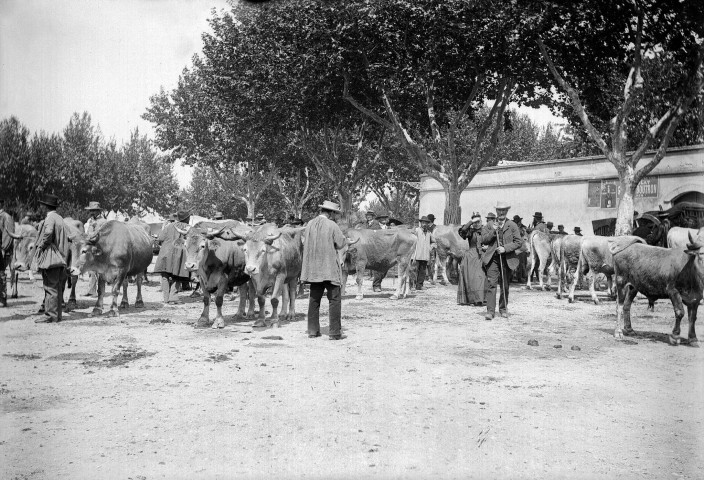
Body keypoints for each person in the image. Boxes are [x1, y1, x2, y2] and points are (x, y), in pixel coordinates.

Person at [301, 200, 347, 340]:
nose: (335, 216)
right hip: (329, 269)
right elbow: (340, 244)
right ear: (331, 212)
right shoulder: (332, 225)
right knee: (334, 299)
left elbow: (304, 242)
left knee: (314, 299)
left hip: (313, 269)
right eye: (335, 213)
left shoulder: (309, 224)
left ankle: (313, 331)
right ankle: (334, 332)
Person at [480, 201, 523, 320]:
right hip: (492, 259)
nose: (501, 212)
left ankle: (503, 309)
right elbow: (483, 240)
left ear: (507, 211)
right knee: (491, 284)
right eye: (499, 210)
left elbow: (519, 242)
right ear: (496, 211)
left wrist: (505, 248)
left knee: (505, 285)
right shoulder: (489, 225)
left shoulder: (512, 225)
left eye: (504, 210)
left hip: (507, 259)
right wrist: (493, 232)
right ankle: (490, 311)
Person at [32, 194, 70, 323]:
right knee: (57, 287)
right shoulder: (60, 218)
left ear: (45, 207)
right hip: (60, 257)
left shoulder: (50, 219)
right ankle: (56, 315)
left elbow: (48, 233)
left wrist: (42, 246)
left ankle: (50, 316)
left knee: (50, 287)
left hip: (51, 257)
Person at [154, 210, 191, 306]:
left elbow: (161, 238)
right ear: (186, 218)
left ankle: (166, 298)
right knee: (177, 275)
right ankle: (173, 297)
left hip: (165, 252)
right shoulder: (188, 228)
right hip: (179, 254)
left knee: (165, 275)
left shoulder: (168, 226)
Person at [457, 212, 485, 306]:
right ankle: (473, 299)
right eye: (475, 222)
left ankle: (481, 299)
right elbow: (463, 230)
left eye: (478, 221)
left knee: (481, 277)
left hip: (482, 256)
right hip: (471, 257)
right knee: (472, 278)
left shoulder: (485, 230)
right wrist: (471, 222)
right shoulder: (470, 231)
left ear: (481, 221)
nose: (477, 224)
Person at [83, 201, 106, 297]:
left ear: (98, 211)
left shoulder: (103, 222)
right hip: (90, 247)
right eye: (91, 211)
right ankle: (92, 290)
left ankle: (100, 291)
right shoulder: (90, 221)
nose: (92, 212)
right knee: (91, 269)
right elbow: (88, 233)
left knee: (100, 271)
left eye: (94, 211)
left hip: (100, 248)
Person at [412, 216, 436, 291]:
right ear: (420, 223)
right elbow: (411, 240)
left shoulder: (429, 233)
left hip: (425, 255)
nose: (424, 224)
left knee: (422, 271)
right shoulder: (416, 231)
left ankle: (419, 285)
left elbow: (434, 242)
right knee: (414, 270)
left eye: (426, 223)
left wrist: (430, 247)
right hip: (416, 254)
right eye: (423, 223)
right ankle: (412, 285)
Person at [0, 199, 16, 308]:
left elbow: (8, 235)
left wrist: (3, 249)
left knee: (1, 274)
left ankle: (2, 299)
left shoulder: (6, 217)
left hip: (3, 251)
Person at [512, 215, 528, 283]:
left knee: (518, 263)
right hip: (519, 247)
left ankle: (516, 277)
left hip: (516, 247)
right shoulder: (520, 228)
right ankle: (519, 277)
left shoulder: (513, 227)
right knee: (521, 263)